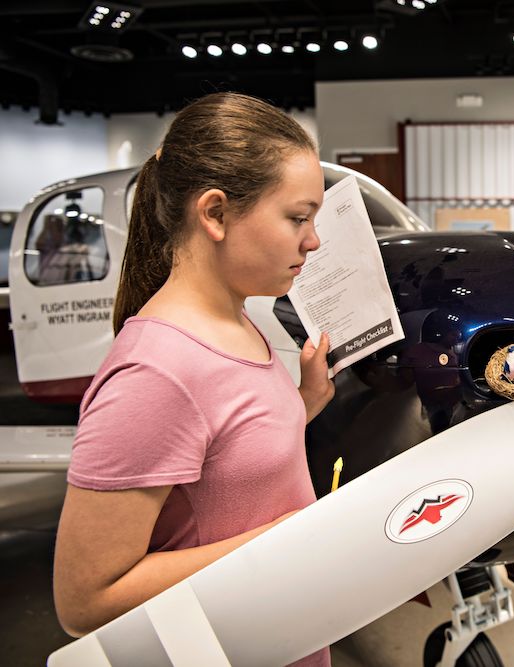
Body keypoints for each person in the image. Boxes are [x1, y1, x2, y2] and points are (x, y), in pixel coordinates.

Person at [52, 92, 336, 667]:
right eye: (297, 218)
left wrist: (302, 404)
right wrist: (279, 544)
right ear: (215, 214)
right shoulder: (155, 373)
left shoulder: (237, 321)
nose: (314, 240)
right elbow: (85, 600)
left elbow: (219, 465)